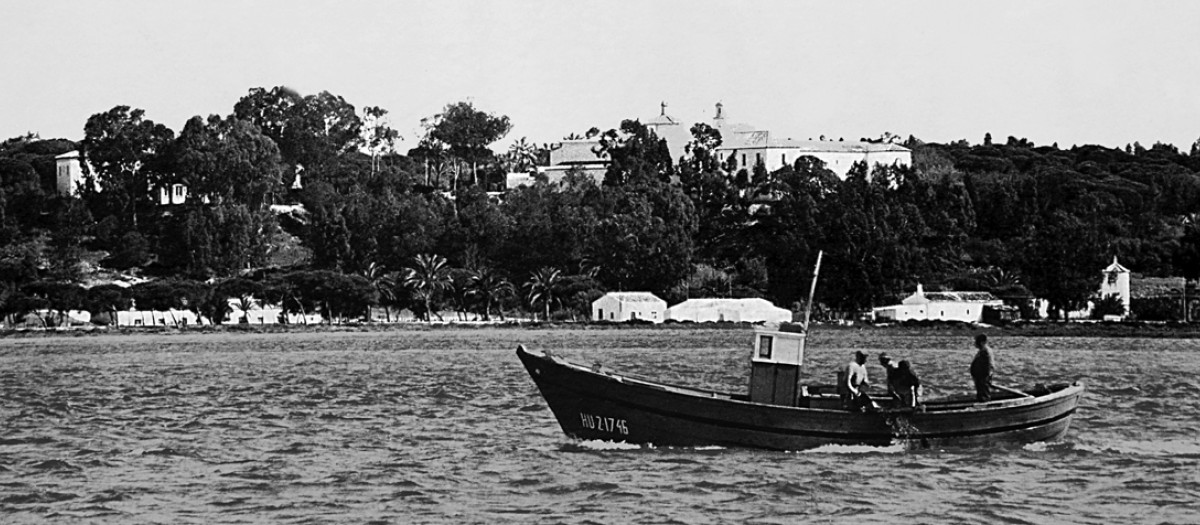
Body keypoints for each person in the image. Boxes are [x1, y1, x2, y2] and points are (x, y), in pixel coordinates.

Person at [970, 334, 994, 402]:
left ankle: (985, 404)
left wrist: (986, 376)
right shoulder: (982, 351)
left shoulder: (985, 351)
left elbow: (988, 365)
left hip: (983, 377)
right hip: (980, 377)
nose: (975, 343)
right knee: (981, 393)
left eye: (976, 342)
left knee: (984, 393)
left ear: (981, 342)